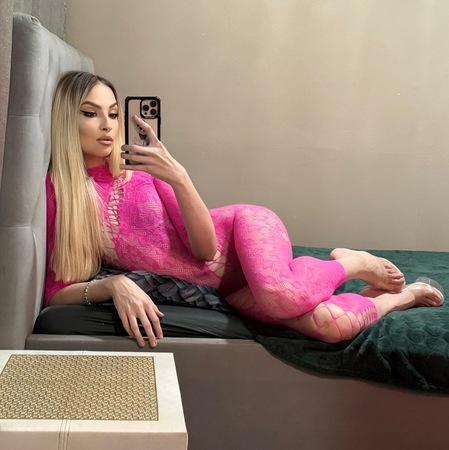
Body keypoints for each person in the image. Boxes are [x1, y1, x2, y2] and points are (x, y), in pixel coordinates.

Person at [45, 70, 444, 348]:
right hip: (223, 290)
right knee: (328, 326)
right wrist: (113, 284)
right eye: (90, 113)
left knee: (280, 294)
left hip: (241, 233)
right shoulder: (58, 194)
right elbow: (56, 292)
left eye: (114, 113)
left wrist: (179, 177)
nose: (108, 125)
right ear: (65, 118)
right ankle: (398, 299)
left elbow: (204, 251)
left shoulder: (143, 169)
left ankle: (352, 263)